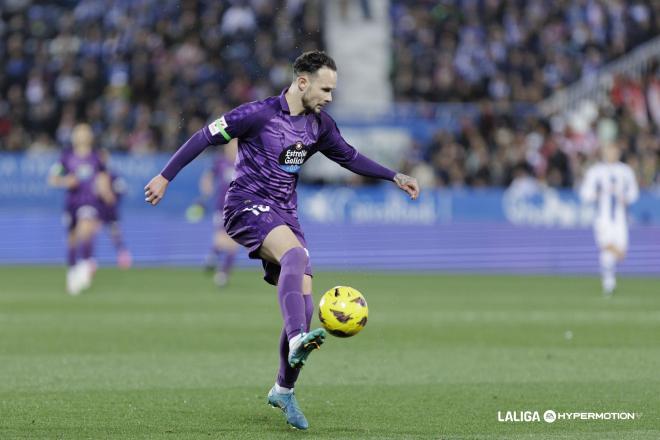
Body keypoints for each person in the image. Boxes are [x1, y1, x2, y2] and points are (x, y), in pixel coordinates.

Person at [144, 51, 419, 430]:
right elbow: (203, 136)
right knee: (294, 256)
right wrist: (165, 176)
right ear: (302, 82)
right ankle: (296, 340)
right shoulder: (256, 115)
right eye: (325, 88)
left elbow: (350, 157)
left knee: (304, 302)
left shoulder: (319, 126)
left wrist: (394, 176)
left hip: (286, 214)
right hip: (245, 206)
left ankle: (283, 389)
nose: (330, 97)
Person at [48, 123, 115, 295]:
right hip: (72, 202)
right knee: (72, 239)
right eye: (79, 132)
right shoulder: (66, 158)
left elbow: (103, 176)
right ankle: (72, 274)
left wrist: (106, 192)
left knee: (85, 227)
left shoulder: (96, 158)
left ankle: (86, 264)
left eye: (85, 132)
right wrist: (65, 181)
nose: (82, 135)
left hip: (90, 201)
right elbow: (52, 178)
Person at [579, 143, 639, 295]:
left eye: (614, 151)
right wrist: (598, 194)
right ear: (604, 153)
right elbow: (585, 193)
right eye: (609, 151)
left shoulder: (625, 171)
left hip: (620, 218)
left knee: (620, 253)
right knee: (606, 250)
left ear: (618, 153)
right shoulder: (596, 171)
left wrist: (626, 198)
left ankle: (609, 281)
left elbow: (634, 192)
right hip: (603, 218)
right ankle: (609, 284)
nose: (612, 154)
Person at [188, 140, 239, 286]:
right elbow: (208, 177)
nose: (233, 150)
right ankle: (215, 259)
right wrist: (206, 188)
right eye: (231, 147)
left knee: (234, 241)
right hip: (221, 208)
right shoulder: (220, 162)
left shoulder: (246, 165)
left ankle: (222, 272)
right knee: (222, 239)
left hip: (240, 209)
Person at [98, 150, 132, 269]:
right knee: (88, 234)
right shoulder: (92, 174)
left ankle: (123, 255)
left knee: (115, 234)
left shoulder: (113, 175)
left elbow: (122, 189)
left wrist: (113, 196)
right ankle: (88, 259)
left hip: (109, 211)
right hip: (95, 210)